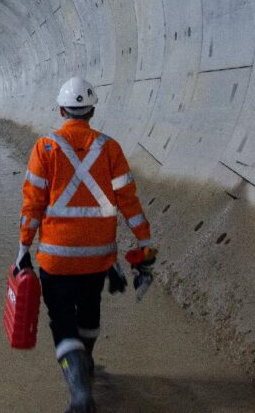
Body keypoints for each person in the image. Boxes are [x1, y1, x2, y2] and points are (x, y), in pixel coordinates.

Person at [16, 75, 156, 413]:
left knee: (62, 322)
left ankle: (79, 391)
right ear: (91, 111)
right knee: (89, 311)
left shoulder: (45, 148)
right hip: (98, 258)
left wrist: (23, 249)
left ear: (61, 109)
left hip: (56, 258)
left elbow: (32, 204)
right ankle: (86, 361)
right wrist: (145, 245)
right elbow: (129, 202)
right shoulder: (110, 148)